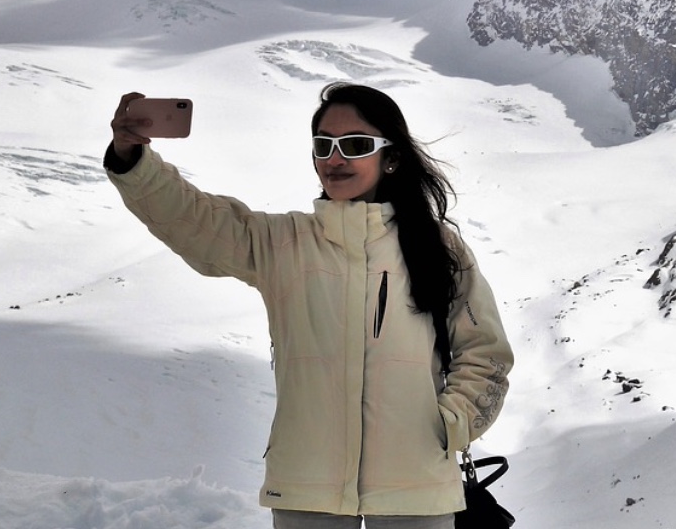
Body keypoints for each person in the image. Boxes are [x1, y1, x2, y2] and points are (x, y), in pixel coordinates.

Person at [105, 83, 512, 528]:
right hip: (307, 488)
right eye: (324, 145)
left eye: (355, 145)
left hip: (416, 491)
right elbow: (195, 220)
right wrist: (132, 160)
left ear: (391, 157)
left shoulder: (439, 248)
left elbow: (485, 354)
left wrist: (448, 425)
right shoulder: (282, 243)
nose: (335, 159)